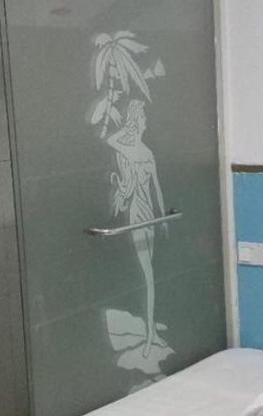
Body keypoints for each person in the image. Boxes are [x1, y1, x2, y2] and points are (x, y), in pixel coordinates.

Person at [106, 99, 167, 358]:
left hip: (149, 217)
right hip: (136, 217)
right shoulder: (131, 152)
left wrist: (163, 218)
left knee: (150, 273)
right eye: (142, 117)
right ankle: (150, 333)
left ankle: (151, 330)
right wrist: (127, 125)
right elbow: (110, 140)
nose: (146, 121)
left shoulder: (147, 153)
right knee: (148, 275)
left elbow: (157, 189)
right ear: (136, 122)